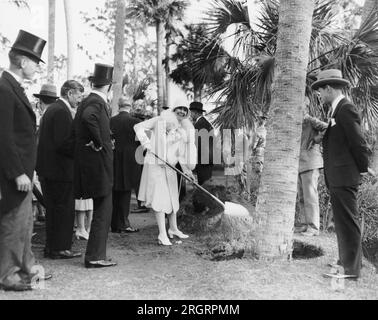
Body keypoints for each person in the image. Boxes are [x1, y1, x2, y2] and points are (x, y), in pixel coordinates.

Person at [0, 30, 51, 292]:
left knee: (25, 222)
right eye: (34, 62)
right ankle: (8, 275)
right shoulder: (4, 88)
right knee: (13, 222)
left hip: (23, 171)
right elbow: (4, 136)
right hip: (13, 174)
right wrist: (17, 172)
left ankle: (25, 267)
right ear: (22, 61)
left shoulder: (12, 87)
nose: (36, 67)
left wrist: (28, 171)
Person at [311, 69, 370, 280]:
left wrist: (363, 167)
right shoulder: (336, 111)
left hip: (344, 175)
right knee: (344, 221)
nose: (319, 94)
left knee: (348, 221)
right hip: (338, 175)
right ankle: (348, 261)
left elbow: (358, 141)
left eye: (320, 90)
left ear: (329, 88)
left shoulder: (346, 109)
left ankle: (350, 269)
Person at [73, 63, 116, 269]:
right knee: (103, 209)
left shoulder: (89, 100)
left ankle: (95, 255)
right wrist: (99, 142)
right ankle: (95, 256)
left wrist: (104, 138)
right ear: (108, 86)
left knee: (102, 208)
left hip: (93, 166)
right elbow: (88, 117)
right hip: (99, 167)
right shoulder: (96, 102)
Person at [36, 80, 84, 259]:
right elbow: (64, 144)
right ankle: (61, 248)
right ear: (69, 93)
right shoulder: (62, 112)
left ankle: (52, 247)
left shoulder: (52, 110)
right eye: (78, 96)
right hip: (60, 171)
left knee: (54, 211)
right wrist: (82, 148)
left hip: (49, 170)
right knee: (63, 210)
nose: (79, 100)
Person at [134, 107, 196, 246]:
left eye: (183, 114)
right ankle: (162, 234)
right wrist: (146, 144)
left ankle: (173, 229)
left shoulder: (180, 131)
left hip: (170, 168)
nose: (180, 116)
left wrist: (187, 171)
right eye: (178, 113)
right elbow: (137, 126)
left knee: (173, 199)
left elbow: (180, 154)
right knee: (159, 200)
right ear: (172, 112)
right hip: (155, 167)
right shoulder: (158, 121)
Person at [110, 96, 143, 233]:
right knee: (126, 192)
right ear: (130, 107)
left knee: (114, 192)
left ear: (118, 106)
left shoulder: (110, 121)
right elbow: (143, 143)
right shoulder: (136, 122)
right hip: (131, 160)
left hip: (114, 158)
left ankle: (114, 223)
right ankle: (123, 223)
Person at [295, 102, 328, 237]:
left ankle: (313, 227)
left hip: (311, 162)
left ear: (306, 107)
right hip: (300, 164)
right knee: (302, 196)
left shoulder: (310, 120)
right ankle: (304, 224)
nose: (299, 108)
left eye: (301, 106)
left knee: (310, 196)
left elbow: (328, 128)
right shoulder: (297, 122)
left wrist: (316, 139)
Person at [189, 101, 214, 185]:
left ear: (195, 113)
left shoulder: (199, 125)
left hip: (203, 162)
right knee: (206, 185)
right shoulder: (206, 123)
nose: (190, 115)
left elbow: (197, 145)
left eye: (191, 113)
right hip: (207, 161)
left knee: (203, 186)